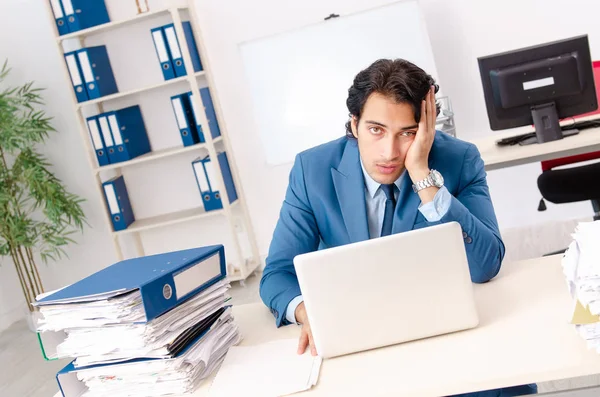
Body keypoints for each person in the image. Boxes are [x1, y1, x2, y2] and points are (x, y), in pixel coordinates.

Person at [259, 59, 536, 397]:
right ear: (354, 124)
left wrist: (422, 174)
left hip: (448, 334)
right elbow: (277, 274)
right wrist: (306, 313)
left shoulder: (458, 160)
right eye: (376, 130)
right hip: (365, 345)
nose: (389, 152)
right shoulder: (312, 170)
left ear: (426, 128)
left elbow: (485, 265)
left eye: (407, 133)